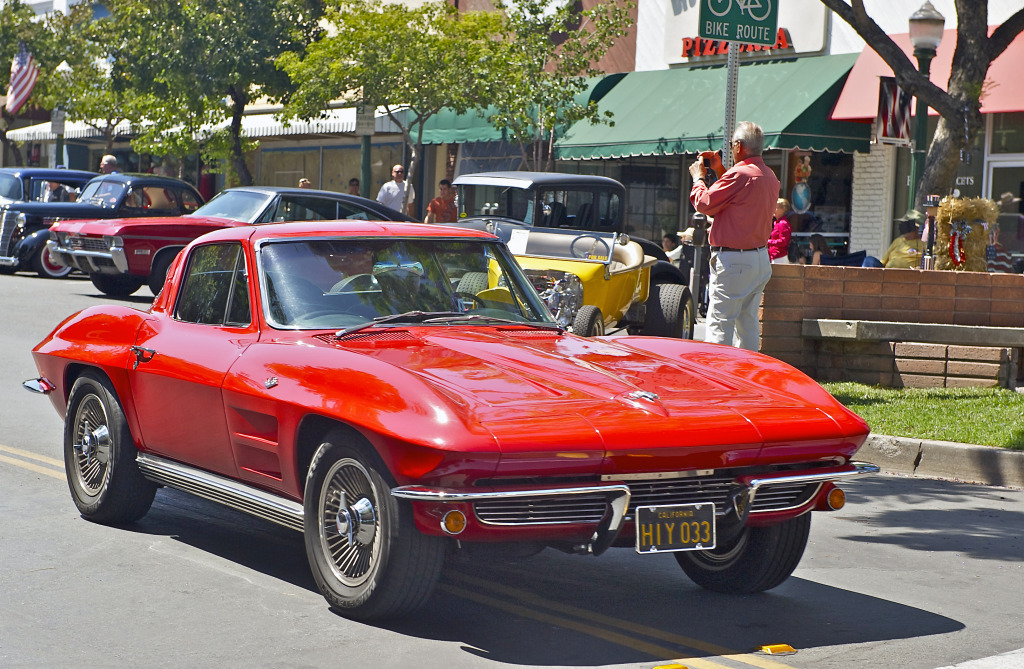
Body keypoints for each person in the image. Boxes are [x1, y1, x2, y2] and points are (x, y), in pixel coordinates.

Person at [688, 121, 779, 351]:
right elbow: (739, 193)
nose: (729, 148)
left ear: (738, 146)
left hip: (735, 262)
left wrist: (698, 178)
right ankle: (746, 380)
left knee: (720, 323)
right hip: (759, 259)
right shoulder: (769, 176)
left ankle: (716, 381)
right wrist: (720, 170)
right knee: (747, 324)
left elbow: (705, 203)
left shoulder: (740, 174)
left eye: (731, 145)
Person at [768, 198, 792, 264]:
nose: (773, 210)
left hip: (779, 258)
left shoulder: (782, 223)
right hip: (775, 257)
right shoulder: (778, 223)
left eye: (776, 207)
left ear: (783, 210)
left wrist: (769, 242)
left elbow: (784, 241)